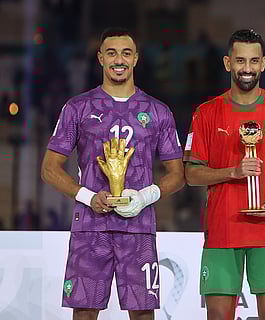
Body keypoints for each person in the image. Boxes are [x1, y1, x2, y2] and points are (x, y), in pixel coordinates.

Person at [41, 27, 185, 320]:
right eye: (111, 53)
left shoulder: (158, 112)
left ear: (135, 59)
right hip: (91, 226)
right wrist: (88, 196)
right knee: (84, 310)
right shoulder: (77, 108)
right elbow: (49, 169)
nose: (119, 59)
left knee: (143, 312)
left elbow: (178, 174)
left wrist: (144, 197)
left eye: (126, 53)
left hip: (139, 227)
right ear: (100, 58)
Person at [183, 29, 265, 320]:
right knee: (217, 315)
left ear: (264, 63)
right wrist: (233, 172)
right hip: (222, 228)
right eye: (240, 61)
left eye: (253, 61)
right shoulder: (206, 113)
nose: (247, 68)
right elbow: (191, 174)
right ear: (228, 63)